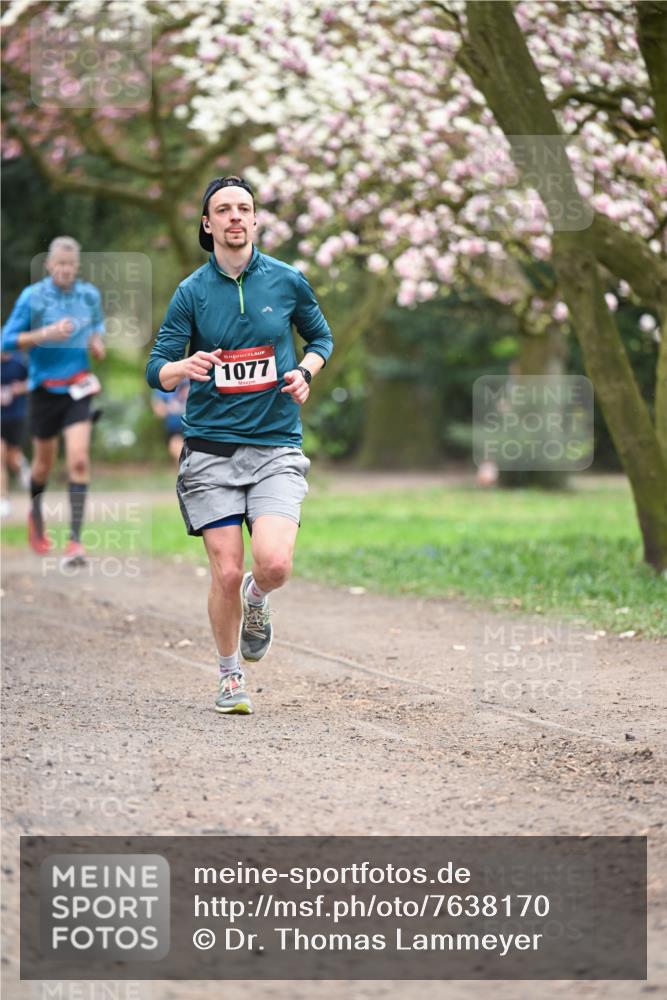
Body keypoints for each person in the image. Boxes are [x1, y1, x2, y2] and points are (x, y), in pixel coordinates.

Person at [146, 175, 333, 715]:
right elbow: (156, 367)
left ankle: (258, 598)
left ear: (255, 220)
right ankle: (230, 676)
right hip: (210, 452)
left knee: (272, 566)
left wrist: (305, 371)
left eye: (243, 209)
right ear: (207, 224)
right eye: (222, 210)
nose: (234, 217)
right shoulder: (192, 292)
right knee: (224, 570)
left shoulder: (287, 281)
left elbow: (320, 337)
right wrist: (183, 367)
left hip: (275, 446)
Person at [1, 236, 105, 565]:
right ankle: (37, 516)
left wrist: (96, 340)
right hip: (44, 390)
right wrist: (44, 334)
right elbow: (6, 340)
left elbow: (97, 325)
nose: (64, 270)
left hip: (78, 387)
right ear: (48, 266)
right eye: (59, 265)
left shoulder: (89, 295)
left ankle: (75, 542)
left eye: (69, 265)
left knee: (77, 460)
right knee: (44, 465)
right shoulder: (33, 298)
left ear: (76, 267)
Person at [0, 349, 30, 517]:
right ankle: (3, 500)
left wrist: (17, 389)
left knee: (13, 457)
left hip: (17, 416)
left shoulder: (19, 362)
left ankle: (22, 468)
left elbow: (34, 381)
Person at [151, 377, 189, 467]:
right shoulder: (164, 384)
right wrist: (170, 408)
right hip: (176, 430)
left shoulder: (198, 378)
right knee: (178, 451)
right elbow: (158, 411)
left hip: (198, 428)